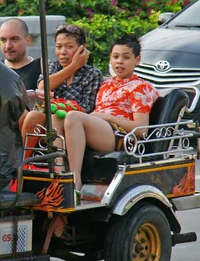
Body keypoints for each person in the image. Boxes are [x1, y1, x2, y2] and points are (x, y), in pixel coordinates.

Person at [61, 36, 159, 198]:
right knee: (59, 116)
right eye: (115, 57)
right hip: (100, 128)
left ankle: (74, 182)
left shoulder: (141, 87)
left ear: (137, 60)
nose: (119, 62)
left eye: (126, 57)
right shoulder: (105, 84)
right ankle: (57, 173)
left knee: (73, 117)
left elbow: (141, 130)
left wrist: (107, 117)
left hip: (118, 136)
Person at [21, 24, 103, 155]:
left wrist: (60, 106)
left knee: (38, 116)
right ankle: (21, 164)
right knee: (26, 115)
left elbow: (87, 108)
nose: (63, 52)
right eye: (59, 47)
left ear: (82, 49)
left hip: (73, 126)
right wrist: (73, 66)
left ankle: (23, 163)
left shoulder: (93, 74)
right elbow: (42, 86)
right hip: (46, 124)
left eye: (69, 47)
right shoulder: (53, 65)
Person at [0, 18, 41, 91]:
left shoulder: (42, 67)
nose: (8, 46)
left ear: (28, 40)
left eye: (15, 39)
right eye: (3, 40)